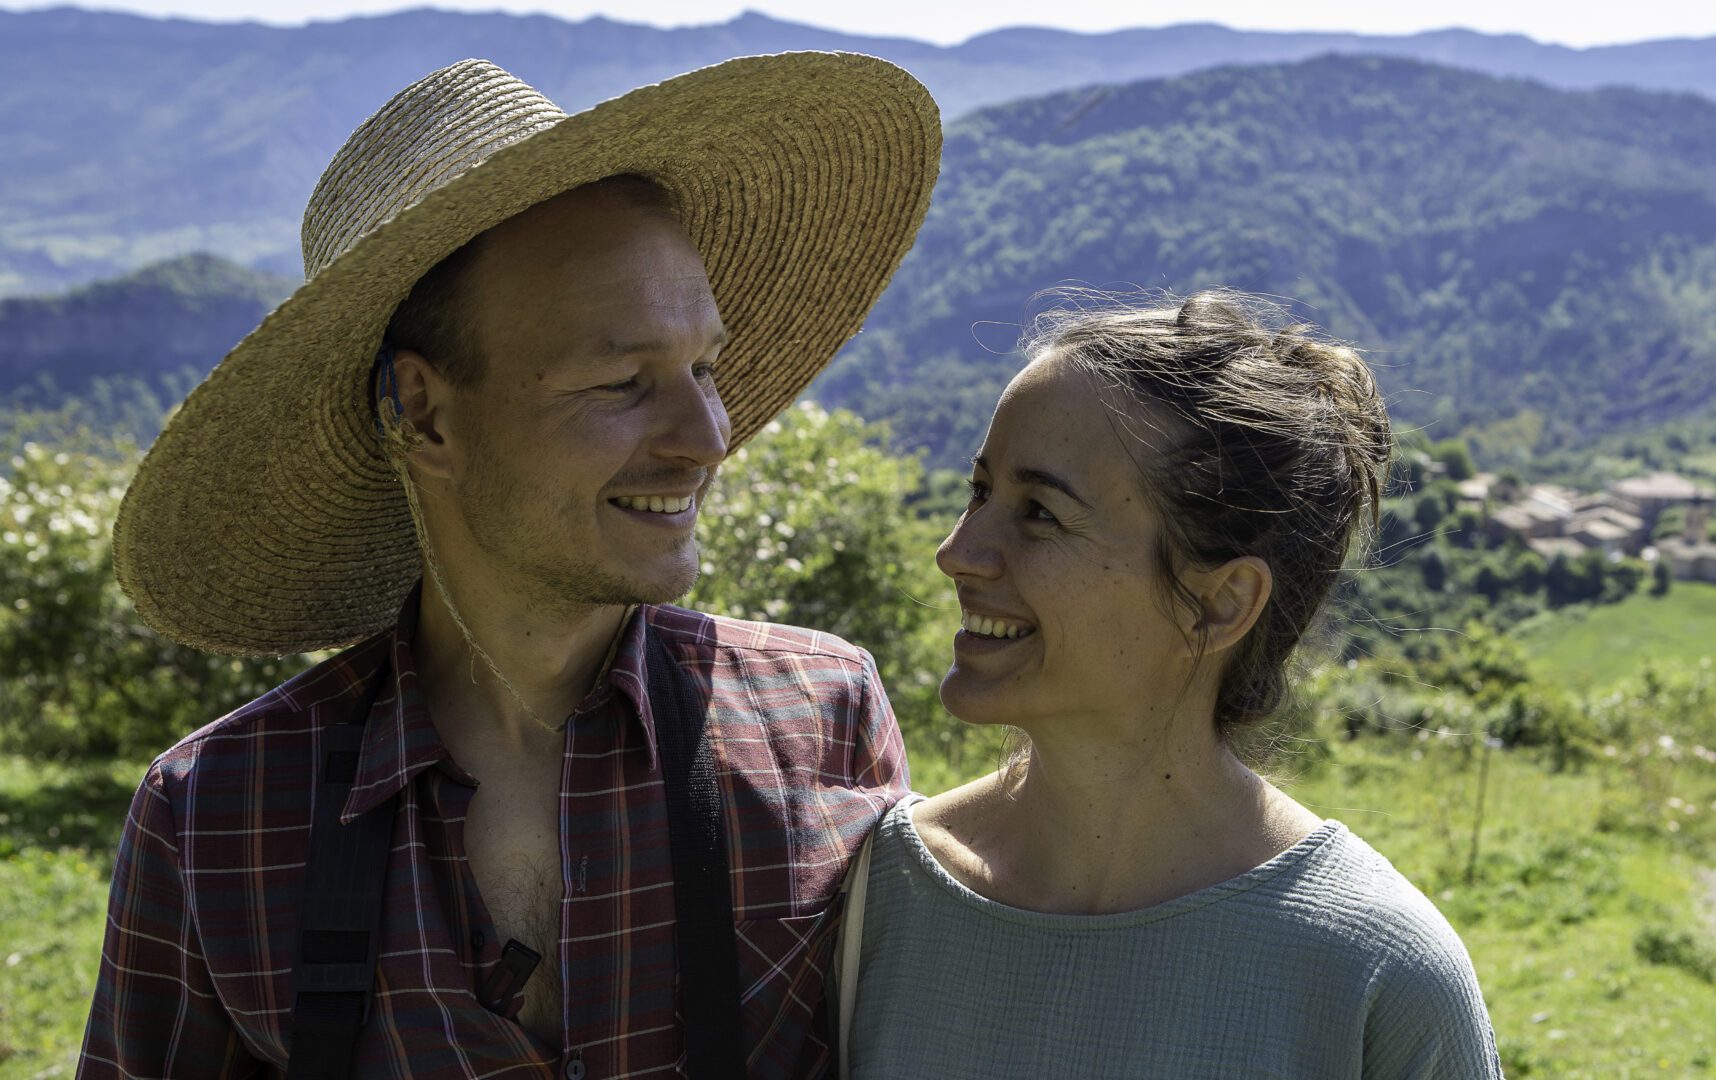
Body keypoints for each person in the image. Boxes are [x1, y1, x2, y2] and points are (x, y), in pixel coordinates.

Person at [80, 54, 939, 1078]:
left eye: (704, 367)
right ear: (426, 414)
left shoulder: (822, 718)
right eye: (621, 382)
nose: (709, 438)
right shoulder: (219, 814)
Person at [840, 291, 1503, 1078]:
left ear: (1219, 604)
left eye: (1041, 513)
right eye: (981, 491)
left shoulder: (1376, 973)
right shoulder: (870, 898)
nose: (958, 552)